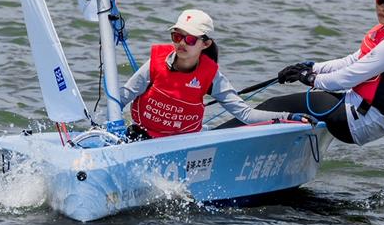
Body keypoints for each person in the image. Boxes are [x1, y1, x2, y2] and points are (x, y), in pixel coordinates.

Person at [246, 0, 384, 146]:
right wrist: (312, 67)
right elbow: (351, 61)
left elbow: (348, 77)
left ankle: (221, 138)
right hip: (359, 109)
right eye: (379, 0)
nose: (381, 7)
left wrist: (310, 78)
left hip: (363, 121)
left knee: (274, 105)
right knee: (286, 108)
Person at [119, 9, 295, 140]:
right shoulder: (154, 65)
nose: (181, 43)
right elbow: (121, 99)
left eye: (190, 39)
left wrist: (288, 117)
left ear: (205, 44)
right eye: (177, 36)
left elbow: (246, 115)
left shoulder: (212, 77)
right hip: (143, 136)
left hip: (184, 141)